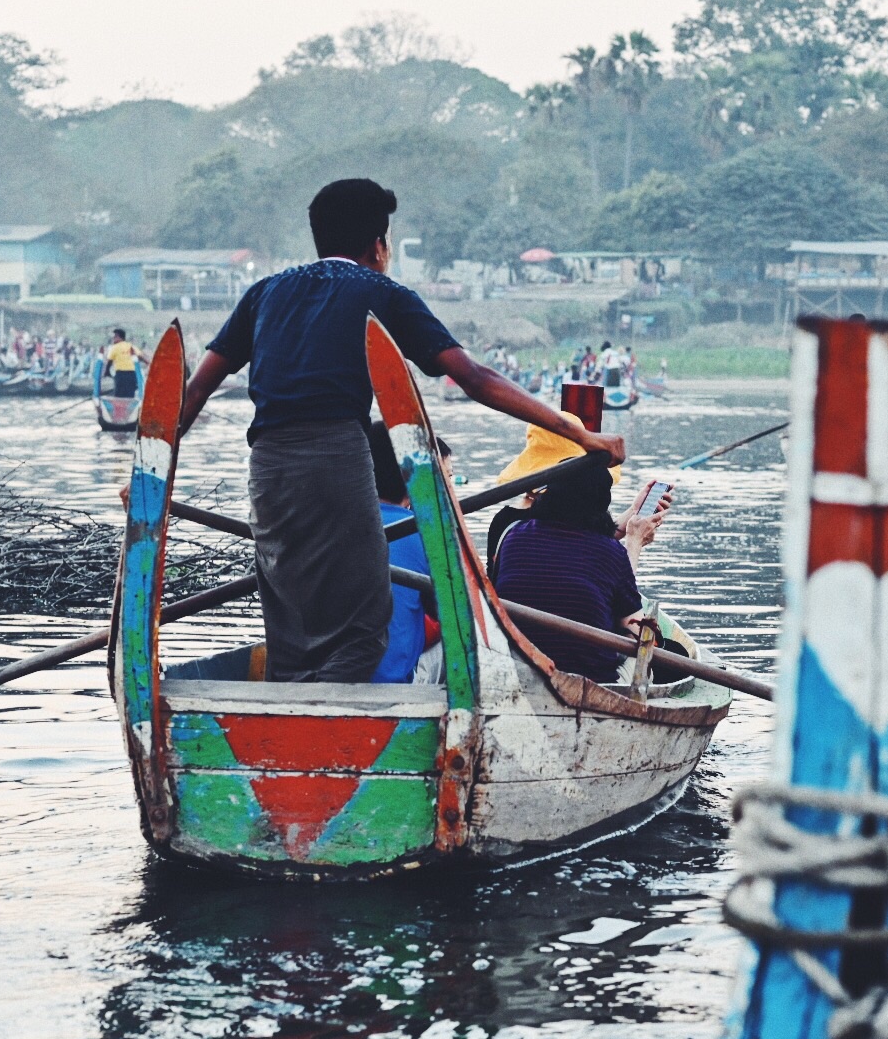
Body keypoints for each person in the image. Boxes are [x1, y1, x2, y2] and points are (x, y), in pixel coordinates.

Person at [176, 177, 625, 683]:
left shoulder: (265, 292)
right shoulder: (382, 292)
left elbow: (193, 393)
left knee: (291, 618)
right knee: (366, 627)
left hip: (266, 469)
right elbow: (473, 377)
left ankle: (288, 718)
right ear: (379, 244)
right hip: (337, 461)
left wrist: (155, 476)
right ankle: (333, 736)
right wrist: (580, 436)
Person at [492, 457, 665, 681]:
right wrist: (634, 542)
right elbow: (634, 627)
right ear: (602, 502)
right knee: (641, 644)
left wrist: (633, 512)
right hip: (592, 680)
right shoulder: (609, 552)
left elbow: (575, 548)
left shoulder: (512, 535)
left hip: (516, 672)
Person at [486, 411, 626, 580]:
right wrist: (634, 542)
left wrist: (635, 512)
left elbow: (596, 540)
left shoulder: (507, 522)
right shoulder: (547, 522)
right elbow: (593, 544)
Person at [365, 422, 446, 684]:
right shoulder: (426, 536)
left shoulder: (330, 526)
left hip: (322, 679)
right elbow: (453, 618)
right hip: (392, 686)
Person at [104, 329, 149, 398]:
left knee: (119, 395)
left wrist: (106, 372)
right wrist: (149, 364)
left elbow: (109, 362)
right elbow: (141, 357)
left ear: (118, 337)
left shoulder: (115, 347)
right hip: (132, 375)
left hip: (120, 375)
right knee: (130, 395)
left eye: (114, 337)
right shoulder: (131, 346)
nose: (113, 339)